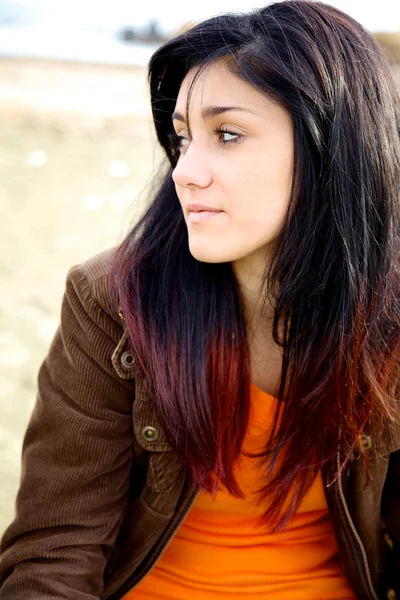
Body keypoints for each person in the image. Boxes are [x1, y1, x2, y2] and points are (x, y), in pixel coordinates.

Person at [1, 1, 400, 598]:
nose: (185, 170)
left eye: (228, 134)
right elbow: (55, 553)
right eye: (184, 137)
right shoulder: (113, 301)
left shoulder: (389, 314)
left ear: (332, 144)